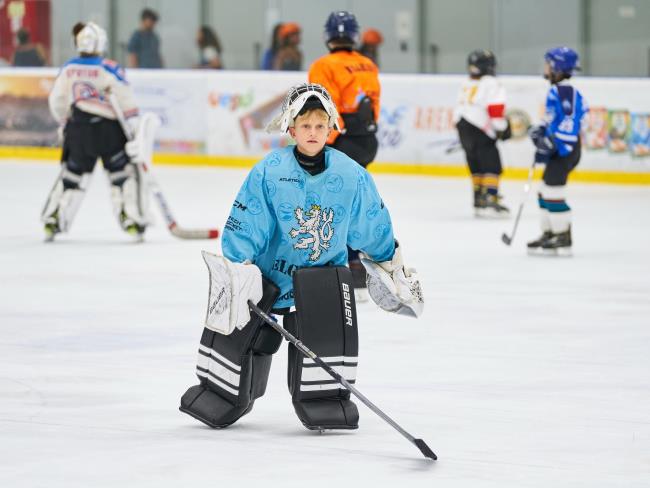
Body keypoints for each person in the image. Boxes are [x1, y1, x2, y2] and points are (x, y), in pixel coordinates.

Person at [179, 83, 423, 432]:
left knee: (325, 341)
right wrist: (238, 265)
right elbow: (247, 220)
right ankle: (219, 391)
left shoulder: (351, 175)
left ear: (331, 128)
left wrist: (389, 260)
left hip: (322, 278)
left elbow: (370, 222)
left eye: (320, 125)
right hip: (268, 277)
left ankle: (325, 400)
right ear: (290, 128)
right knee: (246, 338)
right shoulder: (269, 171)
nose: (312, 132)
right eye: (305, 125)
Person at [42, 22, 150, 241]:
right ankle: (130, 219)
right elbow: (126, 101)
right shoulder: (109, 67)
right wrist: (135, 131)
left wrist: (65, 121)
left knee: (72, 175)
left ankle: (53, 219)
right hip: (109, 132)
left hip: (78, 130)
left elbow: (57, 100)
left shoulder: (69, 68)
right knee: (121, 175)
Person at [308, 11, 381, 297]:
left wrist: (320, 145)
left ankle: (345, 264)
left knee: (334, 203)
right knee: (355, 200)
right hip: (366, 141)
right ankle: (360, 262)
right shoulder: (368, 64)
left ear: (328, 36)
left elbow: (326, 107)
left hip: (342, 141)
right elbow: (374, 106)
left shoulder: (322, 65)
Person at [527, 47, 587, 255]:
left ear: (558, 68)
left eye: (548, 64)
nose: (545, 68)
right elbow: (554, 119)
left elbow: (570, 124)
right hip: (559, 147)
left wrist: (553, 144)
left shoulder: (565, 91)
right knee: (544, 189)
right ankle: (550, 232)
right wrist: (541, 129)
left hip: (566, 149)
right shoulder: (556, 90)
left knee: (553, 190)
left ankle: (562, 236)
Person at [453, 49, 510, 217]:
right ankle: (490, 199)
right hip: (480, 125)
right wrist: (501, 127)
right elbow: (495, 108)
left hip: (462, 125)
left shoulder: (466, 83)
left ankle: (478, 199)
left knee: (475, 162)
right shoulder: (491, 82)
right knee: (491, 163)